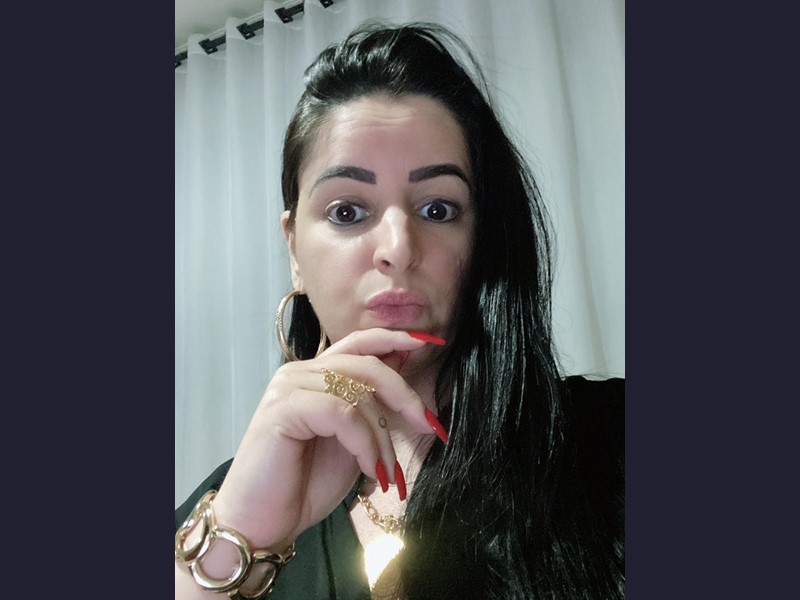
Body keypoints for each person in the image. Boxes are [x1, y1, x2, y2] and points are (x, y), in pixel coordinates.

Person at [175, 21, 623, 600]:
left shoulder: (612, 442)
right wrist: (239, 540)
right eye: (346, 212)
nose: (398, 248)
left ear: (482, 240)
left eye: (438, 209)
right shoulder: (224, 509)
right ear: (294, 251)